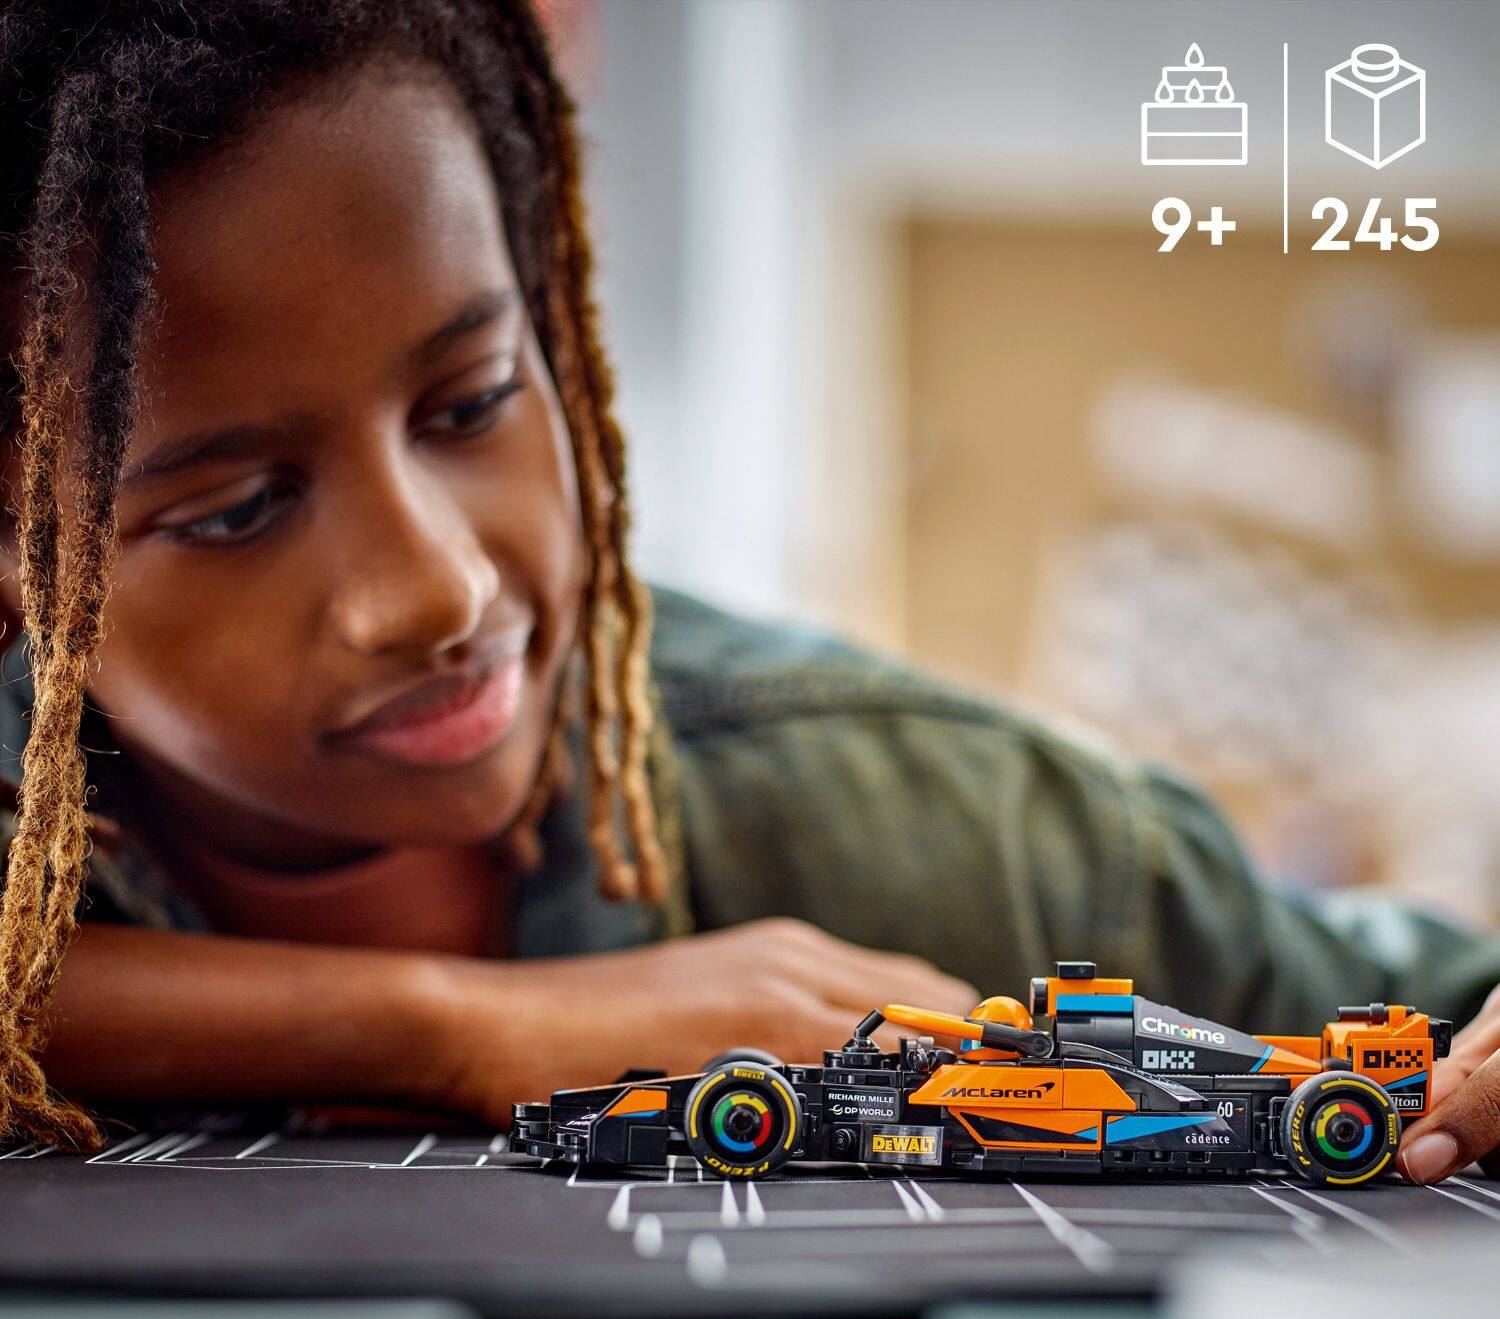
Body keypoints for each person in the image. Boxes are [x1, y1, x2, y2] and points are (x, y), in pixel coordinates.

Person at [0, 1, 1496, 1188]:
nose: (439, 588)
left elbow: (1442, 1013)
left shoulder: (945, 821)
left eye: (473, 401)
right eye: (238, 506)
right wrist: (453, 1027)